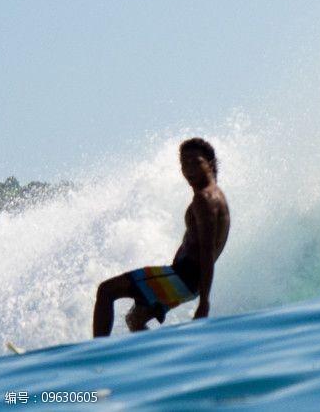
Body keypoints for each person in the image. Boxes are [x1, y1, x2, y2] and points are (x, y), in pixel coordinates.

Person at [92, 137, 230, 337]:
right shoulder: (216, 196)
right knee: (135, 319)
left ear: (209, 163)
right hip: (189, 282)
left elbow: (207, 251)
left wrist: (204, 302)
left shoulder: (204, 199)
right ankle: (158, 358)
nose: (189, 170)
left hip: (184, 277)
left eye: (195, 163)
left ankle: (97, 355)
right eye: (184, 164)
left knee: (106, 291)